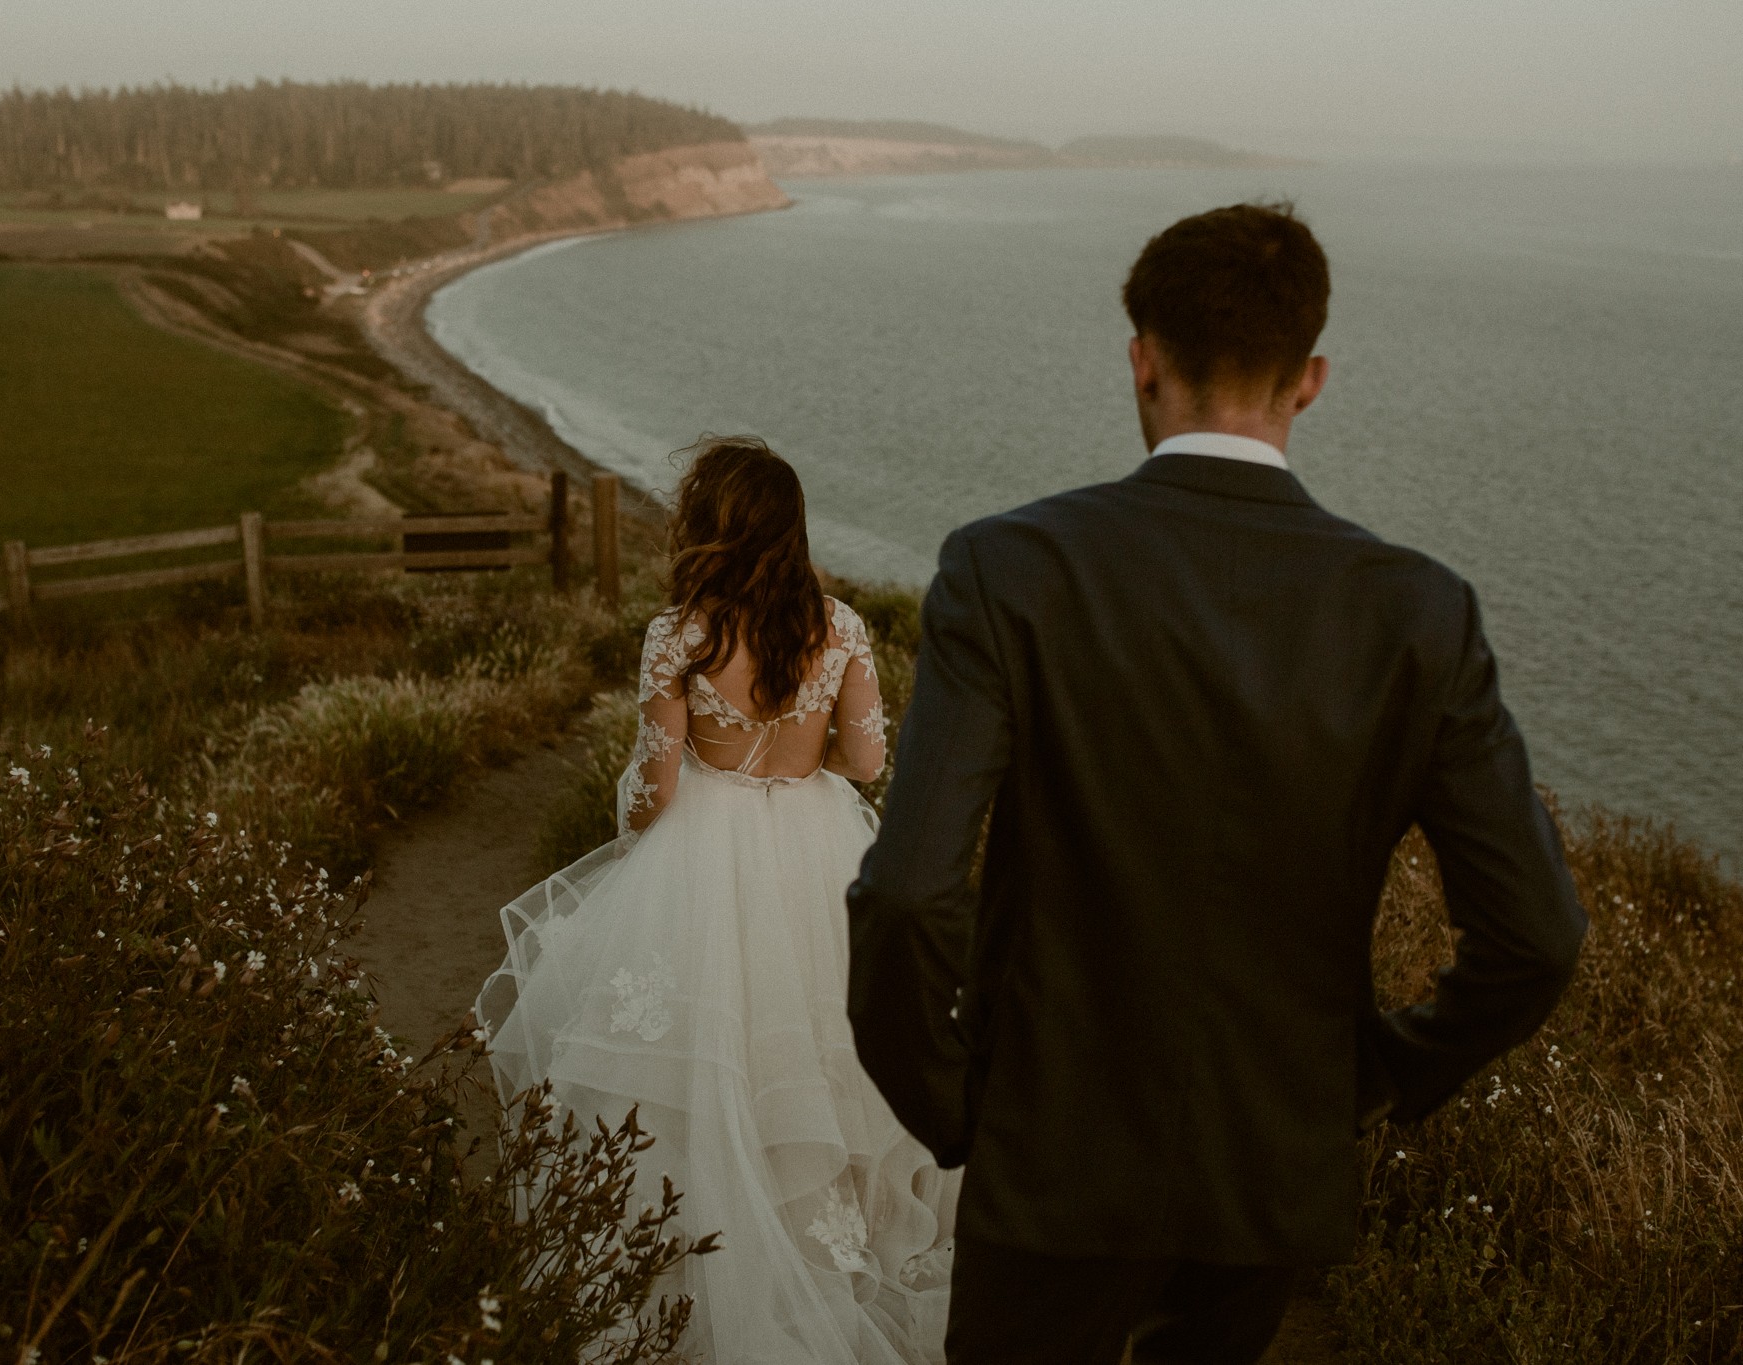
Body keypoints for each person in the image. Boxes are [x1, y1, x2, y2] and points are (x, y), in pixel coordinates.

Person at [846, 202, 1589, 1364]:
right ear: (1311, 380)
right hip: (1268, 1172)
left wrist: (952, 1109)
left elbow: (904, 896)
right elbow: (1535, 936)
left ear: (1141, 360)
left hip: (1049, 1162)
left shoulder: (1008, 568)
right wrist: (1368, 1081)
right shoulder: (1416, 611)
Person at [476, 437, 958, 1364]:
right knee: (824, 1068)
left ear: (709, 529)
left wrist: (631, 826)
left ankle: (704, 1265)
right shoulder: (843, 626)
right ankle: (833, 1260)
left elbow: (654, 792)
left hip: (705, 855)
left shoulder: (679, 636)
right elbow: (865, 763)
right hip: (820, 852)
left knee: (703, 1071)